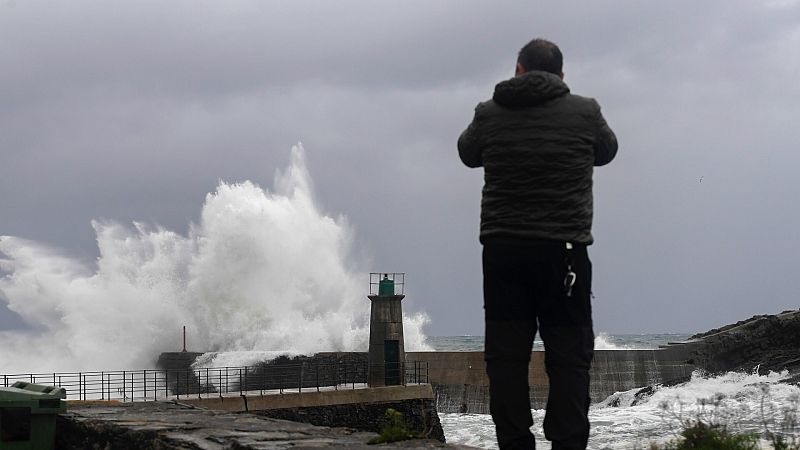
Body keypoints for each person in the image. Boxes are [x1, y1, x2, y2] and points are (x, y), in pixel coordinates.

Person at [457, 38, 617, 449]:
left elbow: (467, 153)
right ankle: (567, 443)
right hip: (564, 254)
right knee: (569, 358)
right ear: (562, 77)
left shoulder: (489, 114)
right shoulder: (585, 112)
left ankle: (514, 443)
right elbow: (608, 151)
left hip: (503, 253)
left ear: (518, 70)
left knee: (506, 358)